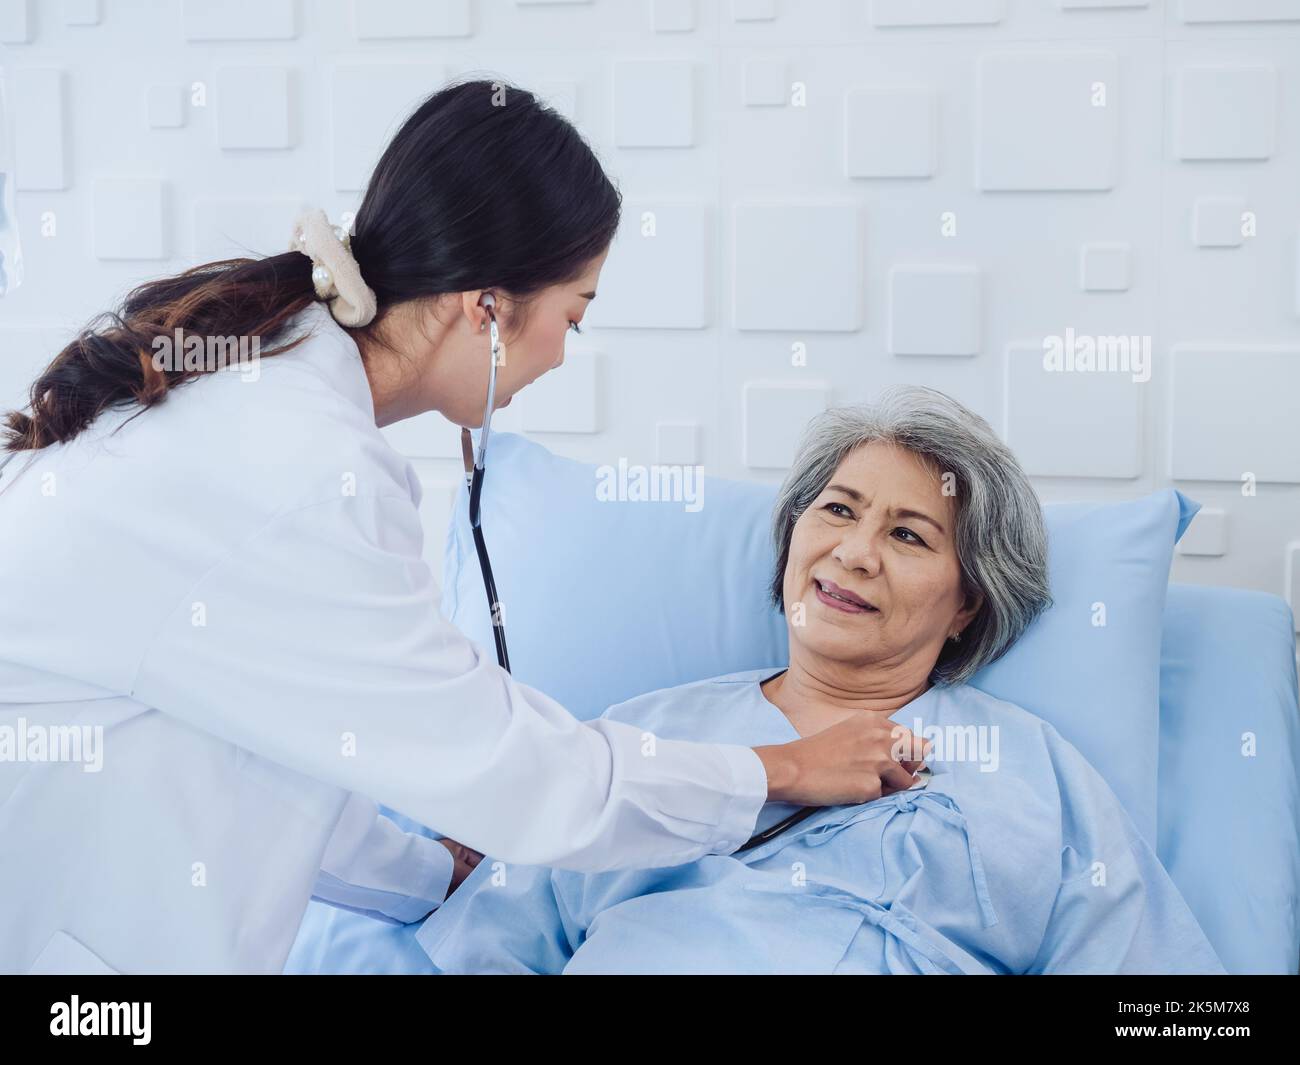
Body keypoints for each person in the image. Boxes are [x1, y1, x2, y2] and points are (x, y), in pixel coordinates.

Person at [0, 80, 926, 975]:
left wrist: (431, 875)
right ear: (485, 309)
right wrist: (778, 770)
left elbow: (292, 737)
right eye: (575, 313)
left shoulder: (273, 414)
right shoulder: (306, 475)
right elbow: (520, 770)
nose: (566, 350)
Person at [416, 389, 1226, 974]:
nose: (855, 552)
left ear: (966, 603)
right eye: (838, 510)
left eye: (907, 533)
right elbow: (493, 939)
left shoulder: (1033, 773)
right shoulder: (637, 738)